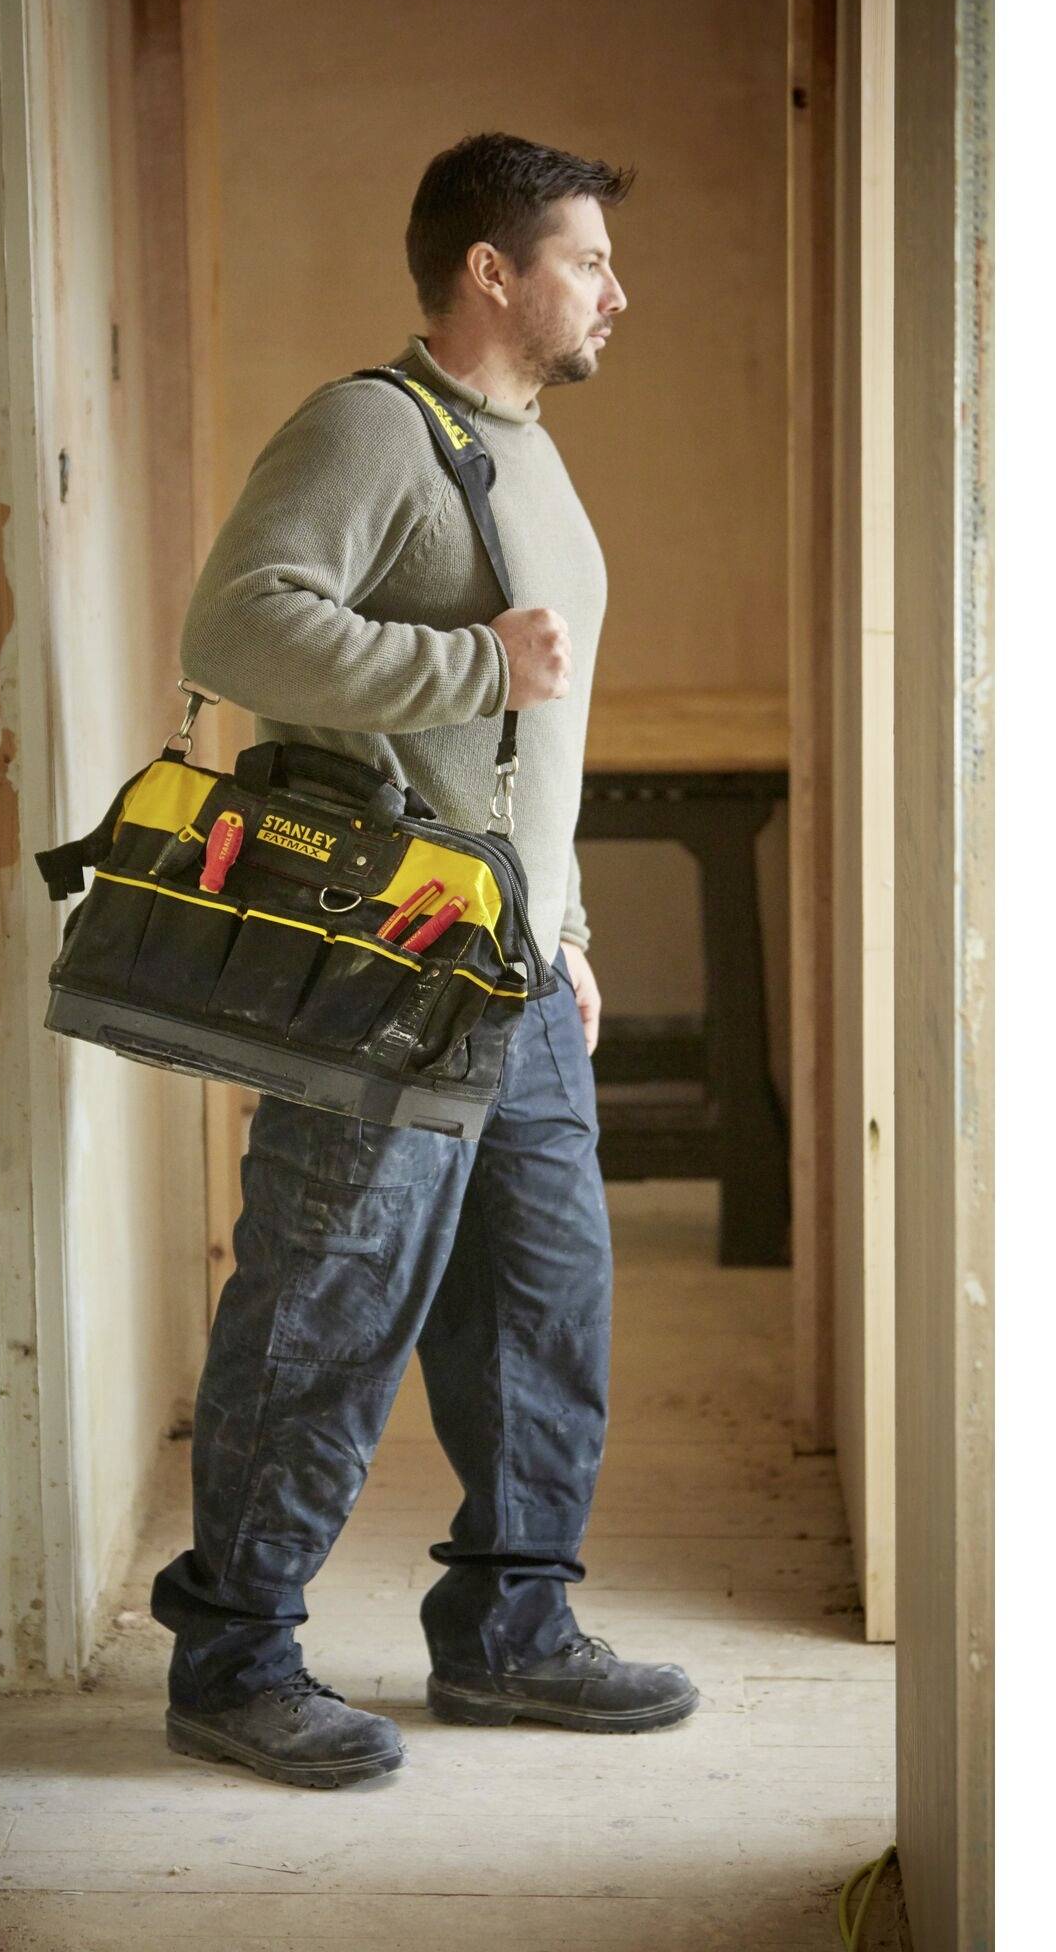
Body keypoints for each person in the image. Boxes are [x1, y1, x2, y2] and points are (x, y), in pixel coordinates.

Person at [151, 132, 698, 1788]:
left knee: (543, 1307)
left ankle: (513, 1635)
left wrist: (569, 925)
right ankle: (234, 1659)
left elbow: (534, 744)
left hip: (515, 968)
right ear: (491, 269)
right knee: (326, 1301)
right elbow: (234, 626)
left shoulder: (528, 455)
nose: (616, 291)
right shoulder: (371, 428)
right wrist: (469, 659)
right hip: (388, 963)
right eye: (588, 260)